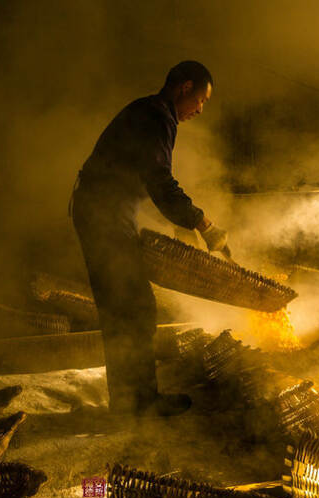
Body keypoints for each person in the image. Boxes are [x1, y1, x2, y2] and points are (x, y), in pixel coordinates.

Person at [71, 61, 228, 417]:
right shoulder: (158, 117)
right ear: (185, 88)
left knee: (127, 307)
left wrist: (177, 223)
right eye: (201, 100)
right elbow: (160, 181)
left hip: (102, 213)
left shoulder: (146, 110)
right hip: (103, 217)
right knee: (133, 307)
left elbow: (143, 177)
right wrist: (204, 224)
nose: (200, 110)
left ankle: (131, 401)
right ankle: (137, 404)